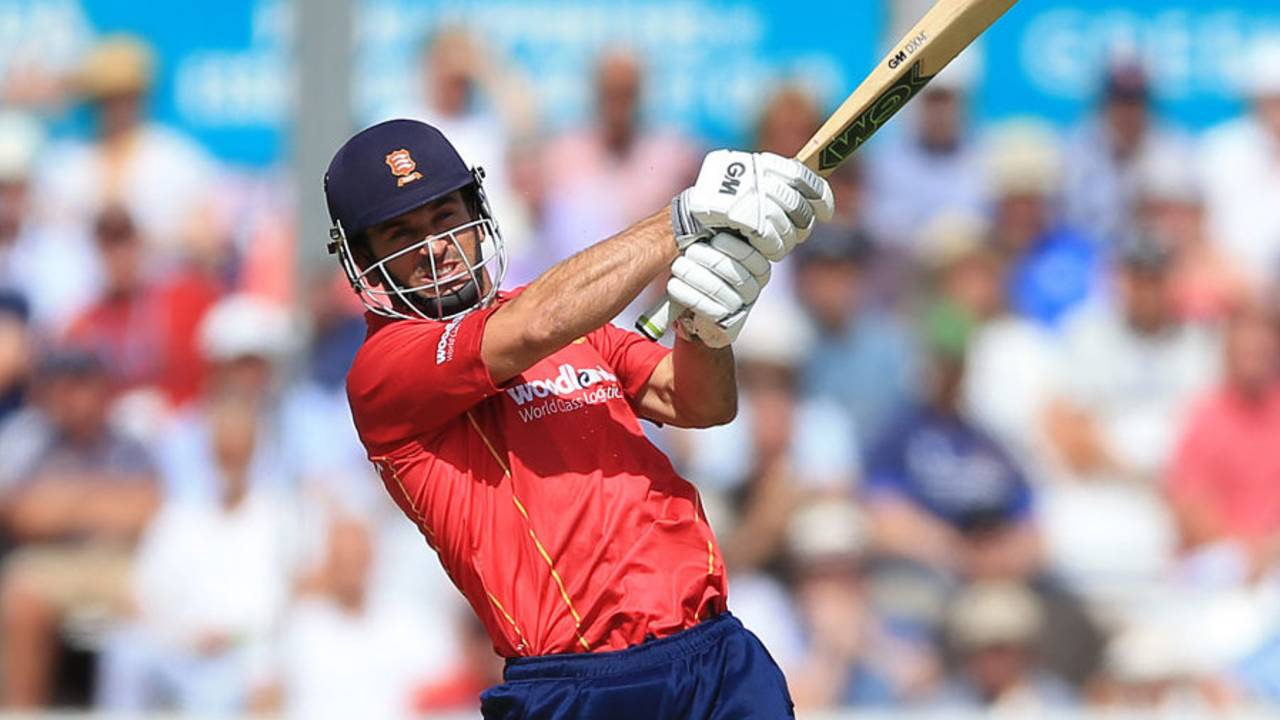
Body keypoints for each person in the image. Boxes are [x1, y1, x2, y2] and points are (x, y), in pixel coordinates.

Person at [323, 118, 832, 718]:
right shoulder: (385, 369)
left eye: (444, 218)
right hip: (580, 684)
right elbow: (535, 326)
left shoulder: (565, 318)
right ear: (363, 260)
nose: (436, 248)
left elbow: (700, 403)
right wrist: (684, 218)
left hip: (715, 653)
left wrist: (705, 327)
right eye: (401, 234)